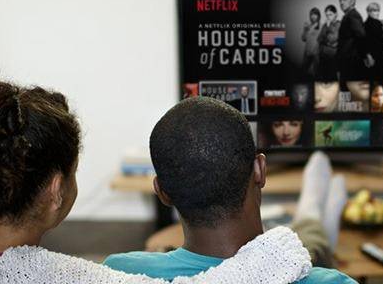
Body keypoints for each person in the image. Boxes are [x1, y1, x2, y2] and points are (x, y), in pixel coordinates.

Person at [0, 79, 313, 284]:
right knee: (311, 232)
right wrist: (279, 245)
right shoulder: (50, 275)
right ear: (56, 190)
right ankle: (312, 214)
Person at [104, 97, 355, 283]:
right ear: (260, 169)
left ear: (162, 192)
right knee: (308, 246)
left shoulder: (116, 272)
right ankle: (312, 214)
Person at [336, 0, 366, 81]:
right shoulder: (348, 15)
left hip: (351, 63)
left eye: (344, 0)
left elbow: (361, 36)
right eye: (340, 0)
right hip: (346, 62)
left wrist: (365, 56)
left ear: (352, 1)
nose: (341, 2)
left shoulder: (353, 15)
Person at [363, 3, 383, 80]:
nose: (377, 13)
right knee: (373, 80)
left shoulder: (378, 23)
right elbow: (364, 43)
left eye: (378, 10)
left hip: (381, 56)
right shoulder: (365, 25)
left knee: (381, 80)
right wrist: (368, 56)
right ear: (368, 12)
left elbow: (382, 40)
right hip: (372, 57)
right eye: (374, 11)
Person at [317, 5, 340, 81]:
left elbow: (332, 39)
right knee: (323, 78)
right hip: (323, 55)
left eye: (330, 14)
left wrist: (328, 28)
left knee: (332, 78)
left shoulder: (339, 24)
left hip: (333, 56)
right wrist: (327, 42)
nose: (328, 17)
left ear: (336, 14)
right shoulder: (325, 25)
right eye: (327, 15)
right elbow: (319, 39)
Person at [301, 8, 322, 77]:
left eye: (315, 14)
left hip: (316, 53)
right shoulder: (308, 25)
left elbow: (322, 40)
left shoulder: (321, 26)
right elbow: (303, 38)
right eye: (311, 14)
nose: (313, 16)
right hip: (307, 52)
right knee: (303, 71)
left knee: (317, 73)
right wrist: (305, 29)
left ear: (318, 16)